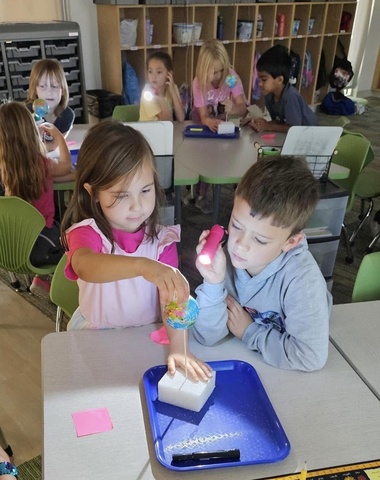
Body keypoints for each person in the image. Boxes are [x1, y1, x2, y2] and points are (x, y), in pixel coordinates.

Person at [60, 121, 212, 382]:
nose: (137, 206)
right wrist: (143, 266)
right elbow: (85, 265)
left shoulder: (161, 240)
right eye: (121, 195)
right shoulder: (86, 233)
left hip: (147, 336)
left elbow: (171, 302)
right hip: (96, 338)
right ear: (93, 193)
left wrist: (179, 349)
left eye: (145, 190)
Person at [193, 155, 331, 371]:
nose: (239, 245)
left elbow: (310, 356)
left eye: (259, 239)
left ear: (291, 242)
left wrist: (249, 331)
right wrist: (213, 283)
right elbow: (206, 337)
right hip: (250, 360)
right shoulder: (226, 258)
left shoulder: (302, 280)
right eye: (237, 226)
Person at [0, 101, 72, 298]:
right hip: (39, 246)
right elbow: (66, 166)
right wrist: (58, 135)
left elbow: (60, 174)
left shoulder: (4, 169)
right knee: (72, 240)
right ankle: (49, 280)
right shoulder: (40, 164)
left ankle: (40, 279)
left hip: (10, 246)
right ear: (30, 130)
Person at [186, 39, 247, 214]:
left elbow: (242, 108)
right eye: (214, 72)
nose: (218, 76)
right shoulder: (199, 82)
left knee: (228, 155)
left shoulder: (230, 78)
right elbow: (203, 115)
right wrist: (208, 121)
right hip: (203, 119)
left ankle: (237, 190)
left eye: (221, 71)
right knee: (203, 157)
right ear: (205, 71)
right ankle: (199, 194)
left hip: (223, 119)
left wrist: (234, 108)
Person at [250, 45, 318, 133]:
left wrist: (269, 126)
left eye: (264, 79)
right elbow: (279, 122)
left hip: (311, 136)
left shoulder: (290, 96)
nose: (259, 83)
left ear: (279, 80)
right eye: (259, 79)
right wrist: (262, 124)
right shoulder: (269, 95)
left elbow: (294, 128)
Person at [26, 59, 75, 137]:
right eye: (42, 86)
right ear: (35, 89)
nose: (49, 92)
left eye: (55, 86)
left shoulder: (67, 115)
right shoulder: (26, 113)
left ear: (63, 90)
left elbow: (55, 145)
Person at [139, 51, 185, 122]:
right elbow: (167, 121)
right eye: (150, 71)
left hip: (163, 130)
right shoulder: (147, 92)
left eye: (159, 72)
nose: (153, 76)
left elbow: (181, 117)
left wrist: (173, 92)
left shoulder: (172, 87)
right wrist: (160, 97)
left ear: (169, 74)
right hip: (147, 131)